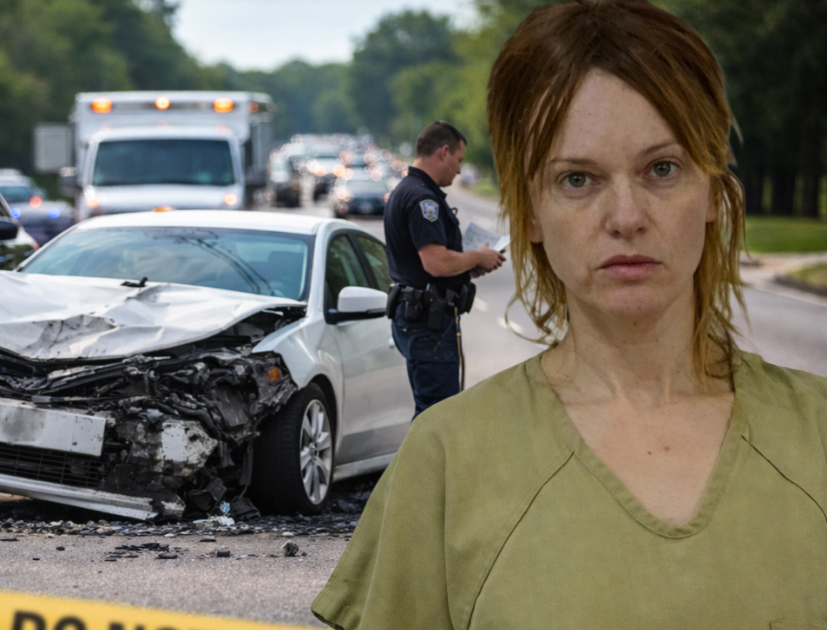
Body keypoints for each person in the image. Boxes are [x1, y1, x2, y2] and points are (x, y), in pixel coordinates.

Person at [312, 1, 827, 628]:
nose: (626, 216)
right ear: (529, 213)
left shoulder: (816, 437)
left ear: (714, 193)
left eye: (662, 169)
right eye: (578, 180)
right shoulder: (446, 461)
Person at [384, 121, 505, 415]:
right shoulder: (424, 199)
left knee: (433, 414)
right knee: (437, 418)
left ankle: (424, 463)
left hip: (420, 319)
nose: (460, 170)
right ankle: (421, 464)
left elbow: (427, 264)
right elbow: (436, 263)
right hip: (428, 325)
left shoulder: (408, 190)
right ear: (444, 151)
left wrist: (469, 266)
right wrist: (476, 257)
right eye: (459, 160)